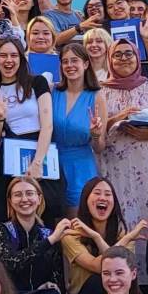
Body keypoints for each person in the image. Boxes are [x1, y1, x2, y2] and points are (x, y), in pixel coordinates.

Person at [99, 38, 148, 225]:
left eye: (129, 53)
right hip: (114, 165)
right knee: (119, 216)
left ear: (137, 57)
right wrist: (117, 118)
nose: (124, 58)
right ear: (109, 59)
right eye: (117, 55)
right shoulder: (101, 91)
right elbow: (93, 128)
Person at [0, 36, 58, 223]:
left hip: (41, 152)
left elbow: (47, 125)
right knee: (10, 214)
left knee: (46, 211)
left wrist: (37, 162)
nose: (8, 60)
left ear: (21, 59)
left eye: (13, 55)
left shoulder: (37, 83)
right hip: (8, 157)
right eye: (3, 56)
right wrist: (0, 118)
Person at [0, 175, 68, 294]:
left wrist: (52, 283)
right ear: (10, 201)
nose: (24, 199)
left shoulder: (47, 233)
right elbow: (12, 263)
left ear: (39, 199)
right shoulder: (1, 231)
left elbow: (57, 270)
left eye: (29, 193)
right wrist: (49, 241)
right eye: (18, 195)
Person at [61, 176, 141, 294]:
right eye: (97, 193)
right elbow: (99, 267)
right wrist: (98, 236)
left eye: (108, 194)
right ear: (85, 200)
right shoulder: (71, 235)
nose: (102, 198)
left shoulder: (122, 233)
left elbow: (120, 269)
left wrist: (96, 237)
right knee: (97, 280)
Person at [50, 42, 105, 213]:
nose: (70, 65)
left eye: (74, 60)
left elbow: (99, 147)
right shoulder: (52, 92)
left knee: (78, 227)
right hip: (52, 164)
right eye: (65, 62)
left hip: (81, 168)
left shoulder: (96, 97)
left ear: (86, 64)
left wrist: (95, 135)